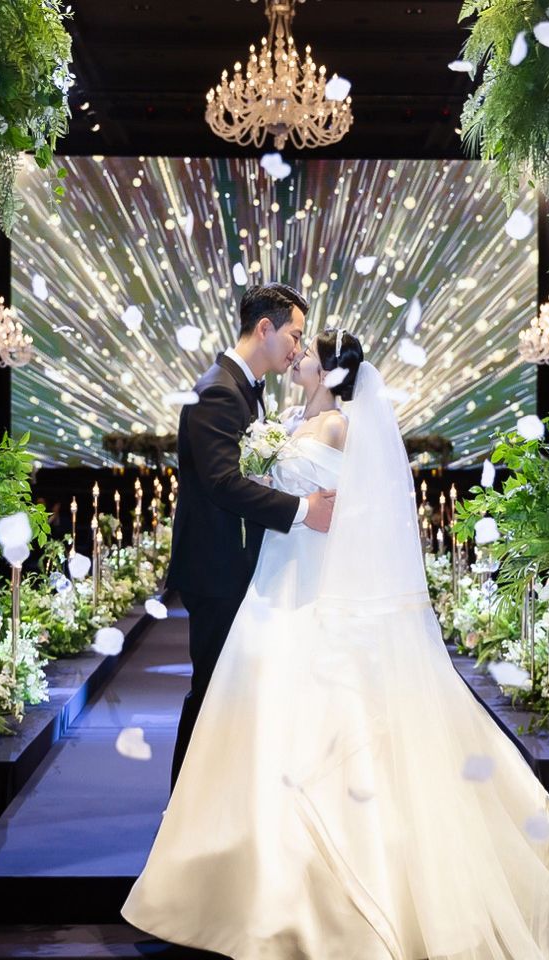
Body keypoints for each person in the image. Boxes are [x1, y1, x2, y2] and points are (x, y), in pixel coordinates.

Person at [124, 328, 549, 959]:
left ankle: (315, 888)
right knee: (253, 715)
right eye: (296, 343)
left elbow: (355, 512)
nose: (296, 355)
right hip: (274, 582)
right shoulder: (287, 420)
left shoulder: (340, 428)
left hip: (311, 583)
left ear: (330, 373)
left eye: (307, 351)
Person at [165, 283, 336, 790]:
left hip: (237, 566)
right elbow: (222, 483)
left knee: (230, 695)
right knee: (211, 694)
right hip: (217, 569)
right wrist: (303, 509)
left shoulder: (244, 389)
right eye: (295, 335)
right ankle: (185, 807)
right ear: (265, 328)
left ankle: (213, 801)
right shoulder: (220, 390)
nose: (297, 349)